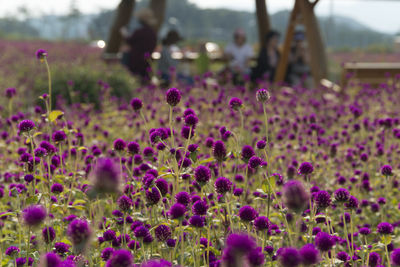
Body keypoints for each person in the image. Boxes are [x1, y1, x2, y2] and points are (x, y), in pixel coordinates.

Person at [120, 8, 157, 83]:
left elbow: (129, 41)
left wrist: (124, 33)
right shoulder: (153, 33)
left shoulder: (139, 32)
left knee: (135, 81)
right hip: (147, 62)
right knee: (145, 82)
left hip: (135, 61)